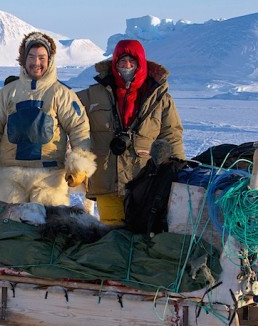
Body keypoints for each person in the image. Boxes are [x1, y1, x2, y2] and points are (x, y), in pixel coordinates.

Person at [0, 31, 96, 206]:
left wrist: (79, 164)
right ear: (23, 59)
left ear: (50, 60)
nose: (36, 62)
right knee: (10, 227)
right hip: (11, 176)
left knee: (50, 229)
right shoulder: (8, 93)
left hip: (49, 176)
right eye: (32, 57)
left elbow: (79, 129)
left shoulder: (62, 94)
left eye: (42, 58)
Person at [77, 39, 186, 225]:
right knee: (110, 237)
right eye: (121, 62)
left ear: (140, 63)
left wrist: (177, 172)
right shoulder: (93, 94)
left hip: (144, 180)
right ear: (114, 64)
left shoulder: (160, 98)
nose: (126, 66)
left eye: (132, 62)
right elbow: (63, 107)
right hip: (106, 179)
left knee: (140, 236)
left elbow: (171, 135)